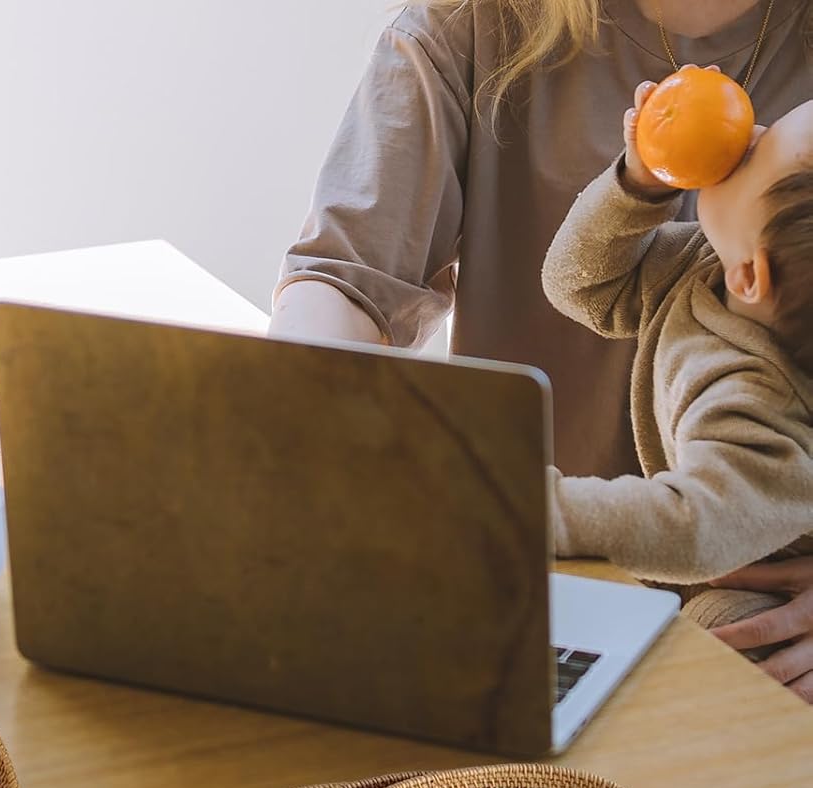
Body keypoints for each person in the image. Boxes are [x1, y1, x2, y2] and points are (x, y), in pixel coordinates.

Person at [272, 0, 813, 701]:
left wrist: (511, 504)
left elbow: (700, 520)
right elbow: (353, 276)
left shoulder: (743, 404)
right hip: (526, 590)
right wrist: (288, 448)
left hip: (738, 630)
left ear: (752, 276)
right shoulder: (474, 24)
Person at [542, 86, 813, 643]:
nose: (750, 134)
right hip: (716, 561)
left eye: (759, 154)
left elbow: (694, 526)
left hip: (765, 581)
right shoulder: (705, 263)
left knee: (728, 633)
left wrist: (541, 509)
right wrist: (638, 186)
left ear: (752, 276)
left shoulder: (760, 405)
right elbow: (580, 284)